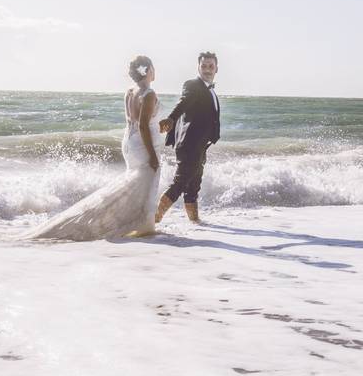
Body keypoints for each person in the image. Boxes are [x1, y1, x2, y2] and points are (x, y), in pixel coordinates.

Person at [27, 56, 164, 240]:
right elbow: (143, 126)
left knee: (134, 185)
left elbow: (134, 121)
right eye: (153, 68)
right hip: (141, 146)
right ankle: (143, 226)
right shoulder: (148, 93)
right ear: (148, 70)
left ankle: (133, 223)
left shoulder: (130, 92)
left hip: (129, 144)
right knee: (145, 186)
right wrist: (153, 155)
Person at [156, 51, 220, 223]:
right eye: (204, 66)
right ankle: (152, 220)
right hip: (189, 145)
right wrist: (171, 118)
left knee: (193, 187)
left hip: (200, 147)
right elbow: (184, 102)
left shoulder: (211, 90)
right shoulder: (192, 85)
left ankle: (195, 223)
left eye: (211, 66)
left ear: (216, 69)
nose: (207, 69)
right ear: (198, 67)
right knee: (180, 184)